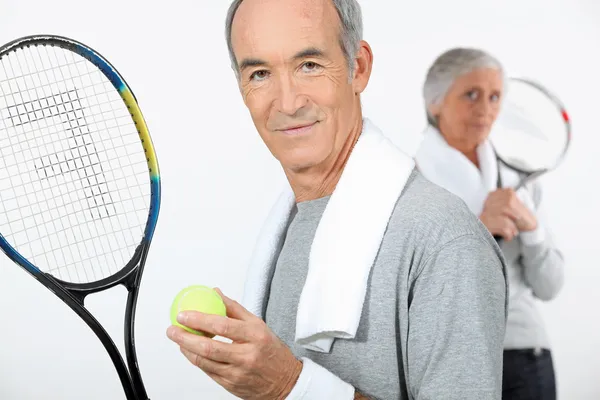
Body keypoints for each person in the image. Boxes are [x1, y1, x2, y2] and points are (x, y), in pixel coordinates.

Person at [166, 1, 508, 399]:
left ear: (357, 67)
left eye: (308, 65)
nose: (288, 102)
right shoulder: (286, 229)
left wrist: (287, 386)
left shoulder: (443, 241)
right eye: (260, 74)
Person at [415, 47, 565, 400]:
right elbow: (408, 294)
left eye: (495, 96)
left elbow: (550, 287)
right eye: (471, 95)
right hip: (447, 364)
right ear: (434, 102)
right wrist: (478, 228)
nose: (485, 110)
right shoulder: (409, 184)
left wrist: (533, 230)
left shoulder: (520, 185)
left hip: (525, 357)